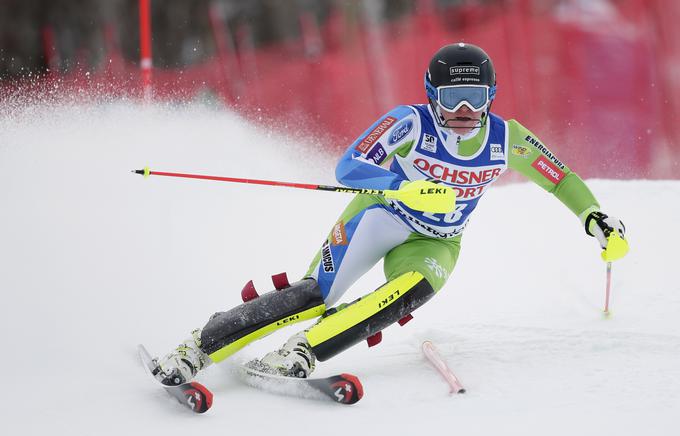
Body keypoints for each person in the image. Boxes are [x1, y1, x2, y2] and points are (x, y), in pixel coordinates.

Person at [151, 42, 628, 385]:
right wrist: (407, 187)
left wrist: (595, 218)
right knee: (315, 293)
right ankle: (199, 346)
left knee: (410, 291)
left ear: (492, 96)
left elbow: (559, 177)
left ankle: (302, 352)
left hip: (436, 241)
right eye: (450, 98)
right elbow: (350, 165)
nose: (464, 110)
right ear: (430, 95)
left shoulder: (508, 138)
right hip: (379, 217)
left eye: (476, 99)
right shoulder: (408, 123)